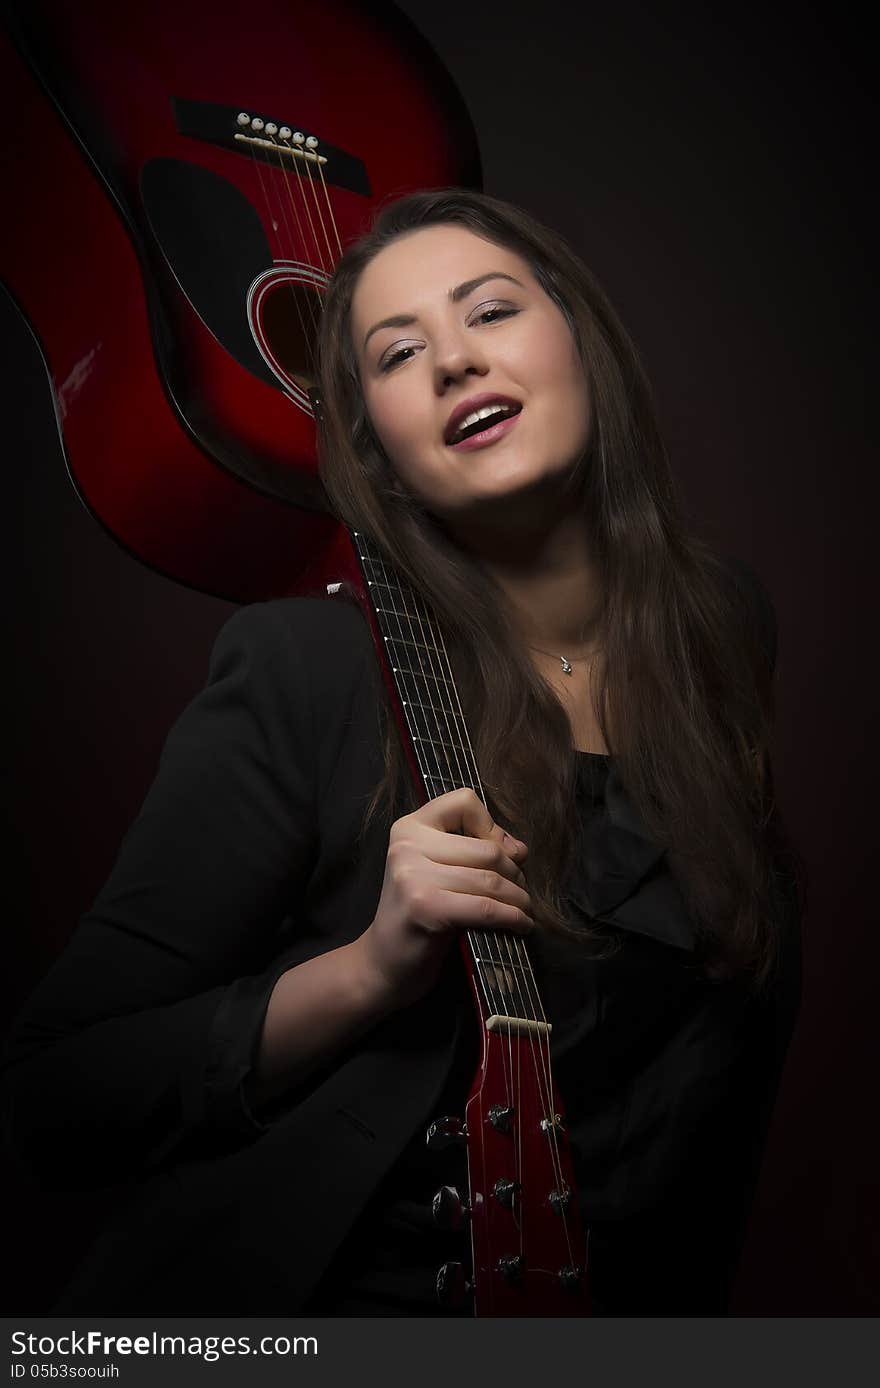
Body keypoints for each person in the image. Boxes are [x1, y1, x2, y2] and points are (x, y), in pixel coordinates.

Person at [1, 187, 803, 1316]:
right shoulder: (304, 668)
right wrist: (369, 967)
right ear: (374, 446)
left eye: (488, 311)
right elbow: (55, 1096)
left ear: (579, 337)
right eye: (397, 352)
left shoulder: (717, 633)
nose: (452, 363)